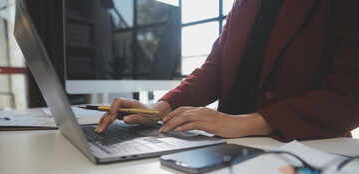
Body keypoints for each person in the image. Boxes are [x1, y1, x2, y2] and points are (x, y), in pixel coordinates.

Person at [96, 0, 359, 142]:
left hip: (310, 150)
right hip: (229, 147)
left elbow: (351, 93)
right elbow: (216, 70)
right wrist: (156, 109)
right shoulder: (243, 5)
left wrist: (242, 122)